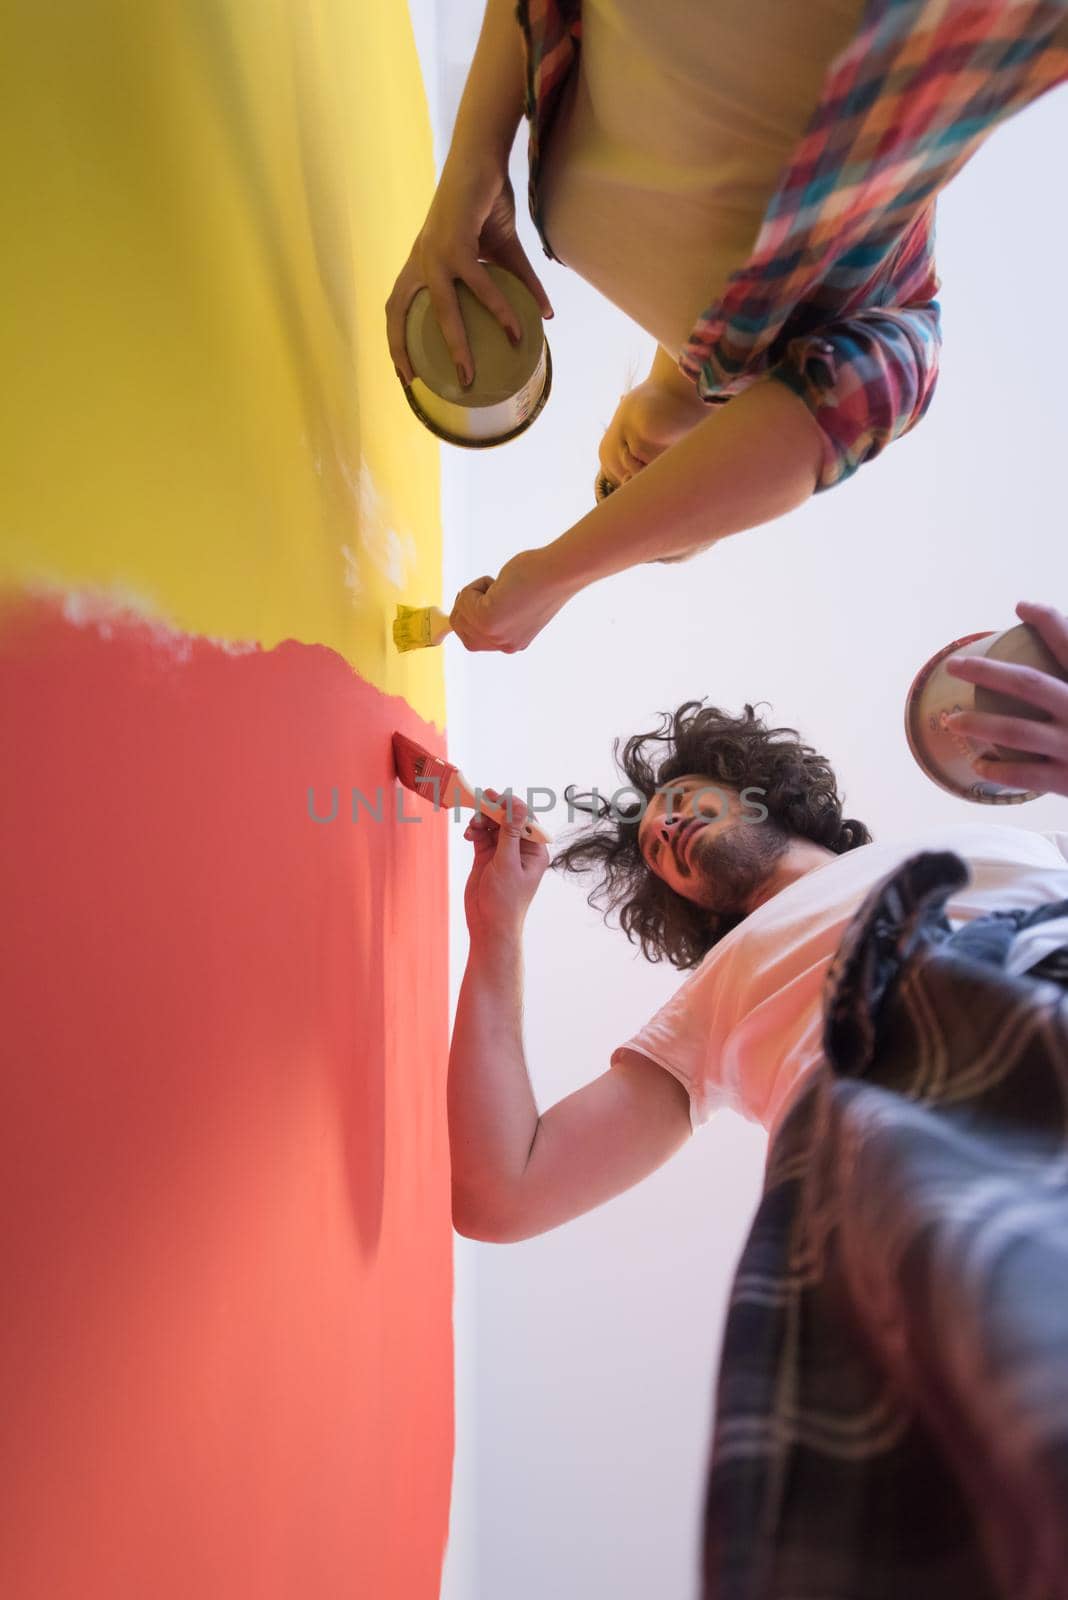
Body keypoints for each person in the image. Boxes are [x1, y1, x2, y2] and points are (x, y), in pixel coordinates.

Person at [450, 603, 1068, 1595]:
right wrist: (498, 931)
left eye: (688, 799)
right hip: (879, 1138)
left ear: (761, 793)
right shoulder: (711, 993)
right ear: (684, 903)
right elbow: (501, 1190)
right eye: (656, 843)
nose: (669, 823)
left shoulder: (1014, 847)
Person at [387, 0, 1068, 654]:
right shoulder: (893, 310)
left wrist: (470, 169)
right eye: (645, 499)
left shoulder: (568, 237)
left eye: (608, 491)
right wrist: (561, 573)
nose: (630, 477)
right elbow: (816, 428)